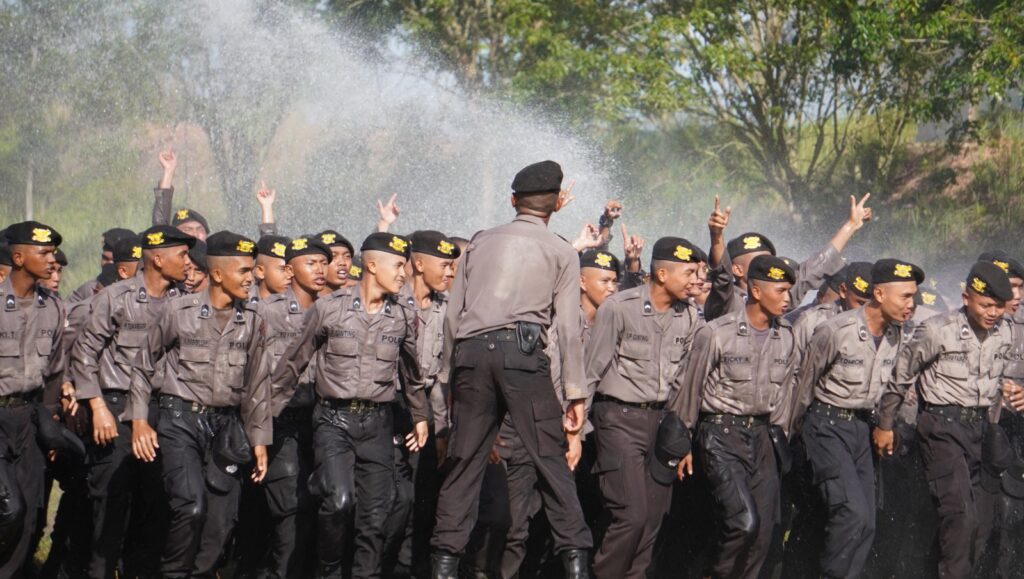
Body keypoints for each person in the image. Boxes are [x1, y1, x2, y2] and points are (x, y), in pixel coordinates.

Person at [430, 160, 593, 579]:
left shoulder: (480, 242)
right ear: (557, 204)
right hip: (522, 359)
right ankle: (576, 564)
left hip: (470, 355)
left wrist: (451, 377)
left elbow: (452, 317)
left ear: (512, 200)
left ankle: (444, 567)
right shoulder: (560, 250)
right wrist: (575, 393)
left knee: (464, 466)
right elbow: (570, 329)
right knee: (551, 464)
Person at [270, 232, 430, 579]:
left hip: (378, 423)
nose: (404, 273)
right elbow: (293, 364)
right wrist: (262, 420)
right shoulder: (330, 308)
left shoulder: (401, 316)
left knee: (374, 518)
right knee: (339, 502)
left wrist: (420, 416)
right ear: (372, 265)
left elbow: (412, 375)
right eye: (398, 265)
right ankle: (327, 571)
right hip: (333, 421)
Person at [128, 231, 270, 578]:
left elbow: (257, 385)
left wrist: (260, 440)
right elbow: (143, 365)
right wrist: (139, 420)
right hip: (180, 423)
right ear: (218, 274)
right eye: (244, 271)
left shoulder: (254, 320)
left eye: (252, 271)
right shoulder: (180, 311)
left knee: (222, 521)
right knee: (191, 506)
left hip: (226, 428)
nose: (251, 278)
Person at [875, 261, 1015, 578]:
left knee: (980, 524)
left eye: (999, 307)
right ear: (966, 298)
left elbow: (997, 383)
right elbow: (900, 378)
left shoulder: (1004, 332)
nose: (993, 313)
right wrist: (884, 426)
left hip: (980, 429)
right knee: (960, 516)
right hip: (941, 428)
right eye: (986, 305)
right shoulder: (938, 330)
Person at [71, 225, 194, 579]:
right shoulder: (115, 297)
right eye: (182, 255)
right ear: (158, 258)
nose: (188, 263)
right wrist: (96, 409)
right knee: (111, 511)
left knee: (155, 507)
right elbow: (84, 356)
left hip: (161, 414)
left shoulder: (182, 301)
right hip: (114, 410)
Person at [670, 255, 799, 579]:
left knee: (764, 535)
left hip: (764, 438)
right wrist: (683, 441)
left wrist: (779, 439)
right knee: (743, 523)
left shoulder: (787, 336)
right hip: (720, 435)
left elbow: (786, 395)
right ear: (756, 291)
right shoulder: (716, 333)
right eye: (781, 290)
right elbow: (690, 388)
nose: (788, 299)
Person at [792, 259, 922, 579]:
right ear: (878, 293)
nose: (911, 304)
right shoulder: (836, 330)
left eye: (913, 296)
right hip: (826, 426)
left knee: (867, 523)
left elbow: (895, 387)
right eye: (905, 296)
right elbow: (801, 388)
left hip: (862, 430)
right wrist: (790, 441)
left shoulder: (899, 335)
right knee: (850, 513)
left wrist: (885, 426)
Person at [585, 237, 705, 579]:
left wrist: (683, 439)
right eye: (689, 272)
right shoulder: (619, 308)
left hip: (662, 426)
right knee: (631, 514)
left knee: (652, 519)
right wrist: (576, 431)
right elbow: (591, 371)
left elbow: (684, 385)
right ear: (662, 273)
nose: (695, 280)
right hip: (617, 419)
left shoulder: (691, 317)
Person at [251, 235, 332, 578]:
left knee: (318, 508)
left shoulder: (334, 310)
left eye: (322, 263)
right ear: (289, 270)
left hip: (322, 422)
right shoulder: (266, 312)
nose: (320, 270)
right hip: (279, 422)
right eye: (310, 263)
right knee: (291, 510)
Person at [381, 230, 460, 577]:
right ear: (419, 263)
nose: (450, 272)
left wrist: (440, 430)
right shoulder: (390, 302)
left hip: (424, 412)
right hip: (386, 409)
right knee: (390, 500)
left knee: (420, 496)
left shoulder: (446, 311)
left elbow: (441, 378)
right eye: (443, 265)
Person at [0, 221, 69, 578]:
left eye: (52, 252)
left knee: (29, 515)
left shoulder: (53, 307)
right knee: (8, 509)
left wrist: (51, 425)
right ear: (18, 257)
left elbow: (55, 373)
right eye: (42, 252)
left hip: (29, 420)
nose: (51, 259)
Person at [704, 194, 873, 322]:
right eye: (760, 262)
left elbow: (817, 266)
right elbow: (722, 274)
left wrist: (851, 225)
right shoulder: (727, 299)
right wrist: (716, 235)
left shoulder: (778, 296)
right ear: (737, 269)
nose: (770, 265)